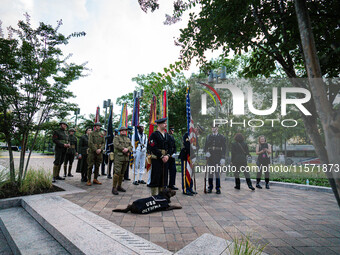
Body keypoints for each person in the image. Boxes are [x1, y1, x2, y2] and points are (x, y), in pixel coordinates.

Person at [147, 118, 172, 196]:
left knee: (164, 178)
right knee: (156, 177)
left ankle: (162, 196)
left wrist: (167, 156)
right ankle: (154, 196)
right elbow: (152, 147)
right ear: (159, 124)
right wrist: (161, 156)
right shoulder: (154, 135)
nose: (166, 125)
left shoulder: (167, 135)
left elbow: (171, 147)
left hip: (165, 159)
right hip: (157, 159)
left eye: (165, 123)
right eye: (164, 123)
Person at [204, 125, 226, 194]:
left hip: (218, 157)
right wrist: (206, 152)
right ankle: (210, 187)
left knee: (217, 173)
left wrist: (223, 157)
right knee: (210, 173)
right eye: (212, 127)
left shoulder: (221, 137)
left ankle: (218, 188)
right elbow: (205, 147)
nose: (213, 128)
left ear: (217, 128)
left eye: (215, 127)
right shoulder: (208, 137)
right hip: (210, 157)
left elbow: (224, 148)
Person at [112, 126, 132, 195]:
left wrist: (128, 149)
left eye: (125, 130)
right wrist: (124, 149)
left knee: (122, 173)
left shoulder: (127, 138)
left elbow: (131, 146)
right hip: (119, 157)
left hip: (125, 158)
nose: (124, 131)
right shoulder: (116, 137)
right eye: (122, 130)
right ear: (120, 131)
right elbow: (116, 145)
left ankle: (119, 186)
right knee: (117, 172)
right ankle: (114, 187)